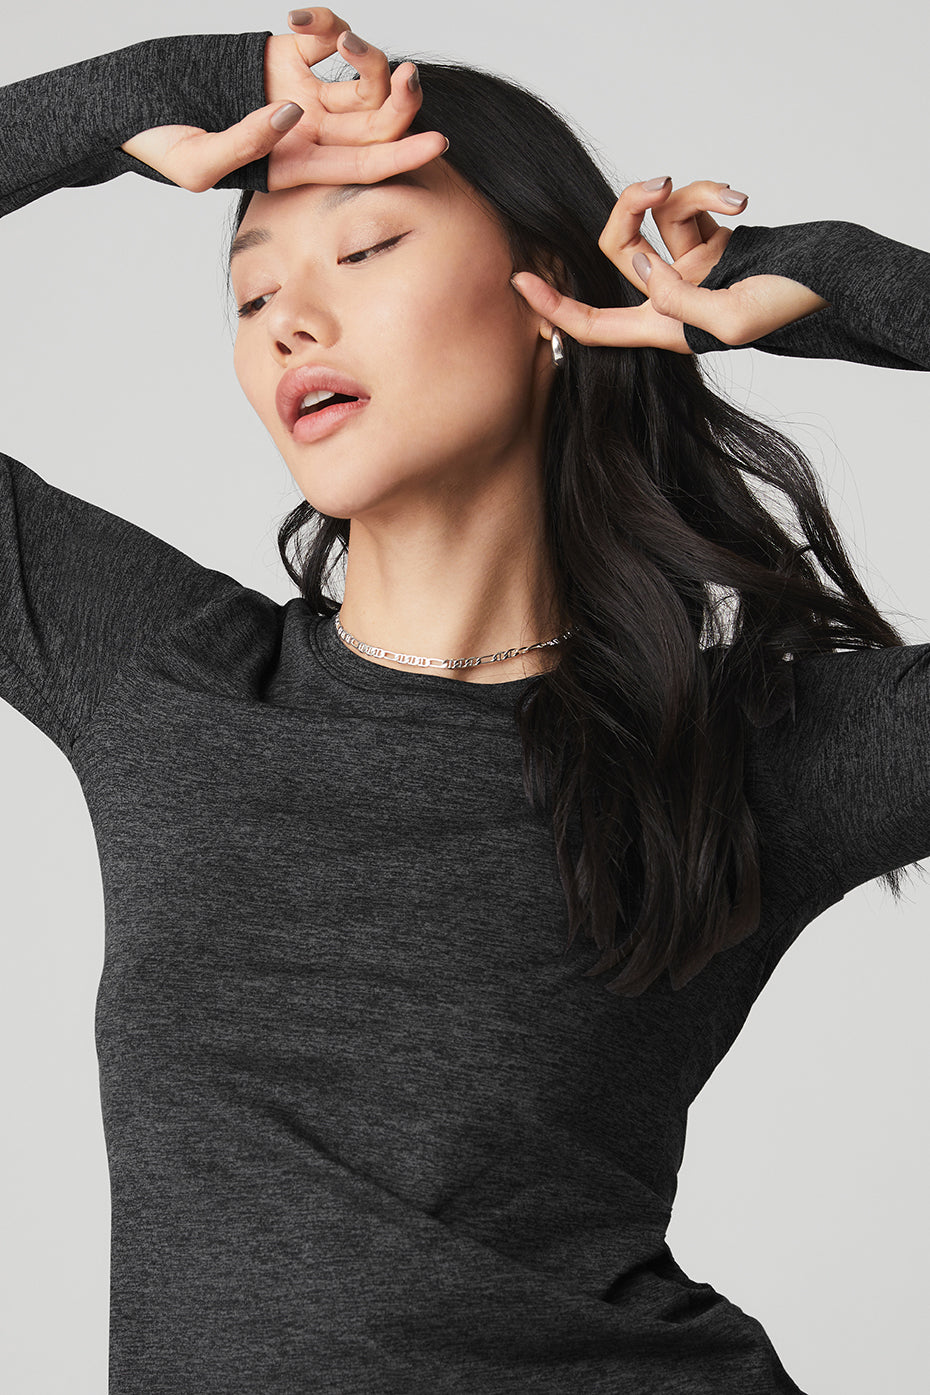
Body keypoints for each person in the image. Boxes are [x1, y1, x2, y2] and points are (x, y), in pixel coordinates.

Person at [1, 8, 927, 1393]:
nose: (290, 321)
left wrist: (827, 283)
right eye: (250, 296)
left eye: (367, 248)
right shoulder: (161, 677)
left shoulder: (741, 751)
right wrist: (164, 90)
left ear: (551, 297)